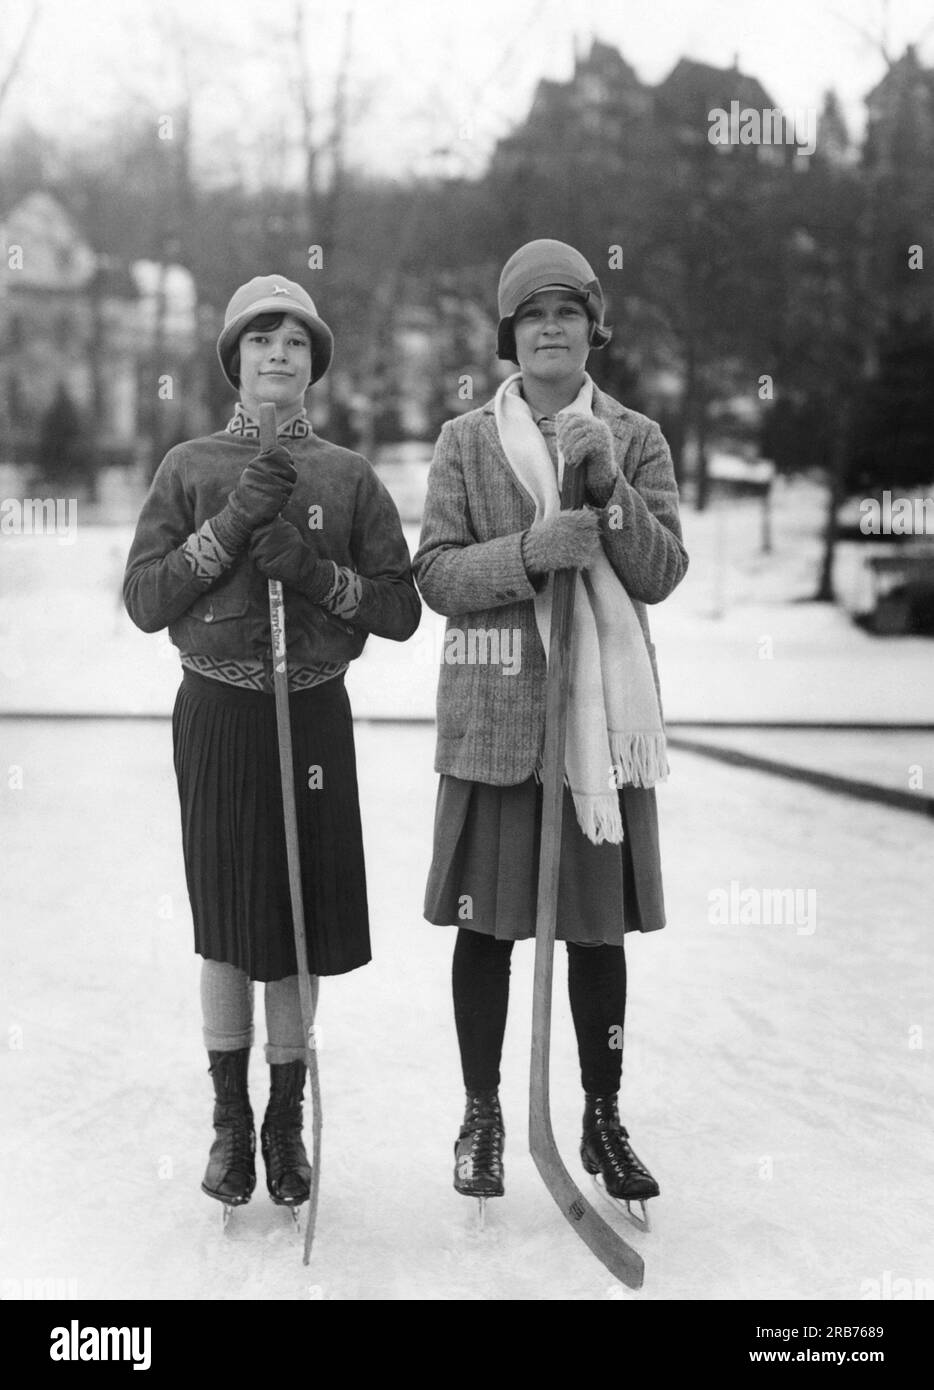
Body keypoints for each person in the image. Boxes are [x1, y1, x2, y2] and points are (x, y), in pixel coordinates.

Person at [124, 274, 420, 1214]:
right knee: (227, 915)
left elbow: (403, 607)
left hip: (314, 710)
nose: (279, 354)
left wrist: (321, 575)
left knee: (297, 921)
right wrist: (231, 527)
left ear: (314, 364)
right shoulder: (190, 465)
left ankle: (284, 1123)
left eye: (296, 340)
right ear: (235, 359)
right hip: (218, 707)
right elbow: (144, 600)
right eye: (261, 339)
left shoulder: (347, 476)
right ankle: (228, 1123)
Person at [413, 240, 688, 1212]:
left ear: (592, 327)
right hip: (496, 721)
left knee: (595, 932)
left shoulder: (635, 436)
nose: (550, 329)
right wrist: (532, 550)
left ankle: (600, 1113)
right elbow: (437, 575)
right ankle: (482, 1111)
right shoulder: (465, 442)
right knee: (486, 930)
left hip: (599, 731)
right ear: (508, 336)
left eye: (567, 312)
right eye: (532, 316)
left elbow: (660, 574)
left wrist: (608, 496)